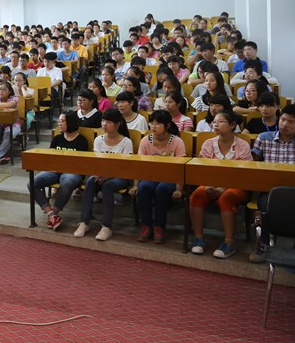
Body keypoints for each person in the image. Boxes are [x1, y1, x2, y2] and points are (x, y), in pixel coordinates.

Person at [189, 111, 252, 259]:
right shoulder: (208, 144)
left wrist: (223, 187)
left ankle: (229, 243)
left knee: (226, 197)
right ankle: (199, 239)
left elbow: (243, 173)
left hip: (236, 185)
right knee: (197, 195)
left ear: (232, 125)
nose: (215, 125)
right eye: (214, 122)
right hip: (211, 184)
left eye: (220, 122)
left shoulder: (242, 145)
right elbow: (204, 170)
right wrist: (209, 184)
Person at [74, 109, 133, 241]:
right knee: (90, 181)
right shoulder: (98, 140)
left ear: (118, 124)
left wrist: (106, 176)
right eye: (103, 121)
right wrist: (98, 174)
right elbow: (97, 163)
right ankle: (84, 222)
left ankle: (106, 226)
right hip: (101, 175)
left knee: (107, 186)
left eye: (108, 122)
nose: (104, 124)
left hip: (120, 177)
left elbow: (124, 167)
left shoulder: (126, 142)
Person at [249, 104, 295, 263]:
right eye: (283, 120)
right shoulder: (263, 138)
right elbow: (254, 166)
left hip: (293, 190)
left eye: (291, 122)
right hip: (268, 190)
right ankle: (262, 244)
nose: (285, 124)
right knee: (265, 204)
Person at [132, 110, 186, 244]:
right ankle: (146, 225)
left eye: (158, 123)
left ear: (167, 126)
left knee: (162, 189)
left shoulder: (177, 142)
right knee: (144, 187)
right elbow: (139, 165)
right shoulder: (145, 141)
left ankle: (159, 227)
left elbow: (181, 168)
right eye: (152, 123)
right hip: (151, 176)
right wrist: (135, 185)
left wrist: (179, 189)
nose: (153, 126)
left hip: (170, 178)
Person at [29, 110, 88, 231]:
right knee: (32, 183)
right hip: (55, 170)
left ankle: (54, 212)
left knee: (67, 181)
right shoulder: (57, 138)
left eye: (62, 121)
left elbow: (80, 163)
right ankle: (51, 213)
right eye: (59, 121)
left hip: (72, 172)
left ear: (70, 122)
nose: (59, 123)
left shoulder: (81, 140)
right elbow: (50, 158)